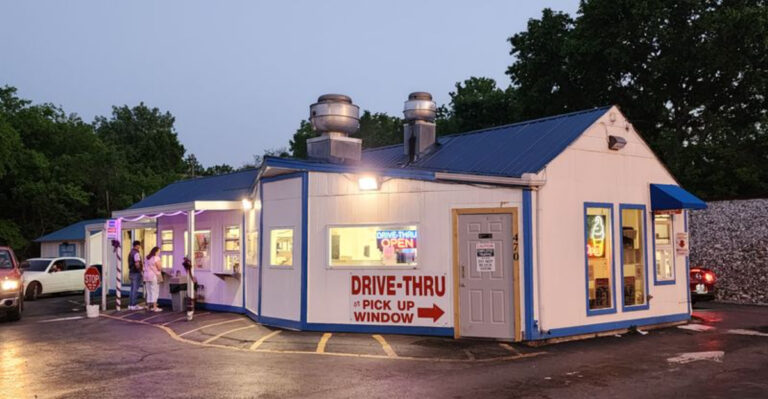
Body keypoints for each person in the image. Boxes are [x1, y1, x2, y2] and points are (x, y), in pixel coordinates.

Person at [143, 246, 162, 312]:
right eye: (159, 251)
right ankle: (155, 307)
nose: (159, 253)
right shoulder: (156, 258)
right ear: (156, 251)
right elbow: (159, 268)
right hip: (154, 275)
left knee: (148, 291)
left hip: (146, 276)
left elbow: (144, 266)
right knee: (155, 291)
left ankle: (148, 306)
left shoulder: (146, 257)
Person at [127, 241, 144, 310]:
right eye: (139, 245)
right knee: (135, 289)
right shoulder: (136, 253)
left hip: (131, 272)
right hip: (136, 273)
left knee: (132, 289)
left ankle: (130, 305)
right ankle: (134, 304)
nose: (140, 247)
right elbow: (137, 263)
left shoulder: (130, 252)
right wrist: (141, 271)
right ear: (137, 246)